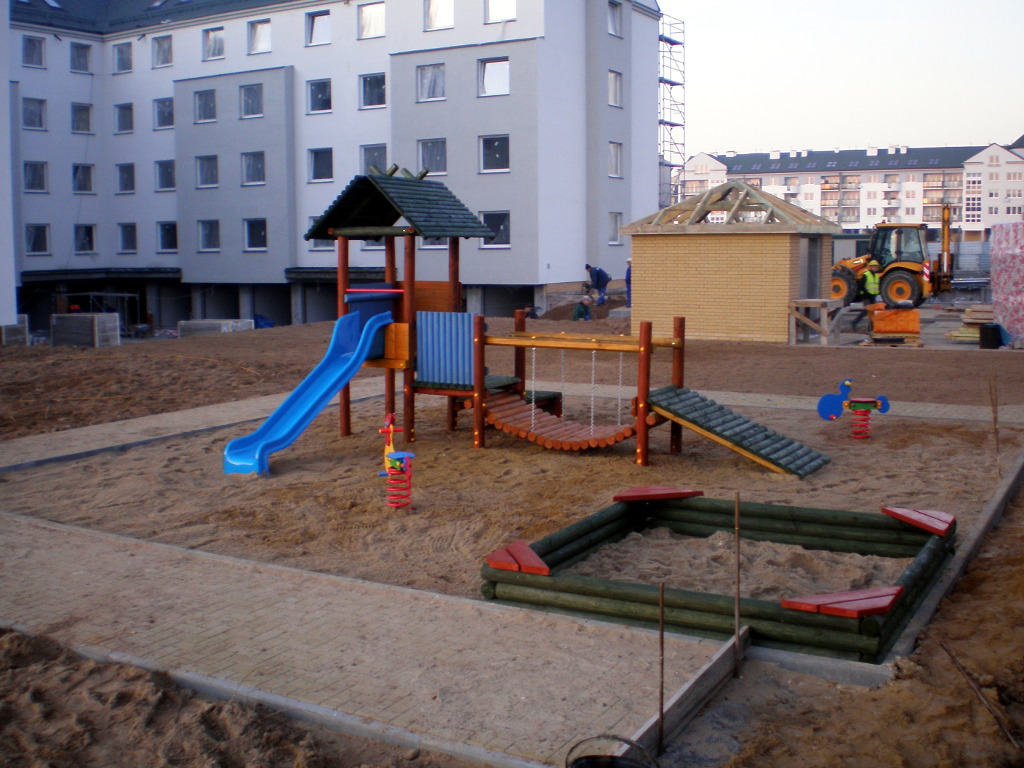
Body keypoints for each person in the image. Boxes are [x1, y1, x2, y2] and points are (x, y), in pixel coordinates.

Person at [852, 260, 883, 329]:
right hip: (866, 296)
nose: (875, 268)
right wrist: (867, 293)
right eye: (873, 266)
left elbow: (876, 286)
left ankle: (871, 327)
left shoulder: (876, 276)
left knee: (872, 312)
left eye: (876, 266)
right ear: (870, 267)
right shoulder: (866, 275)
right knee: (867, 310)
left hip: (873, 296)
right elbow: (861, 286)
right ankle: (855, 321)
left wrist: (876, 294)